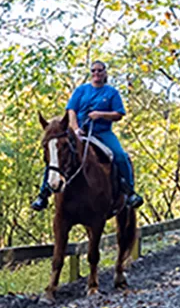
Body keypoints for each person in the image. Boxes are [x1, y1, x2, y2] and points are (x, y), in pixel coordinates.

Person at [31, 61, 144, 211]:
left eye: (99, 71)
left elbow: (119, 114)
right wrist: (76, 129)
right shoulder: (81, 91)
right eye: (93, 71)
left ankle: (129, 192)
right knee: (57, 153)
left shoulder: (111, 93)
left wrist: (101, 114)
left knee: (120, 155)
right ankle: (44, 194)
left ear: (105, 73)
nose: (96, 74)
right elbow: (71, 110)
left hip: (102, 132)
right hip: (80, 132)